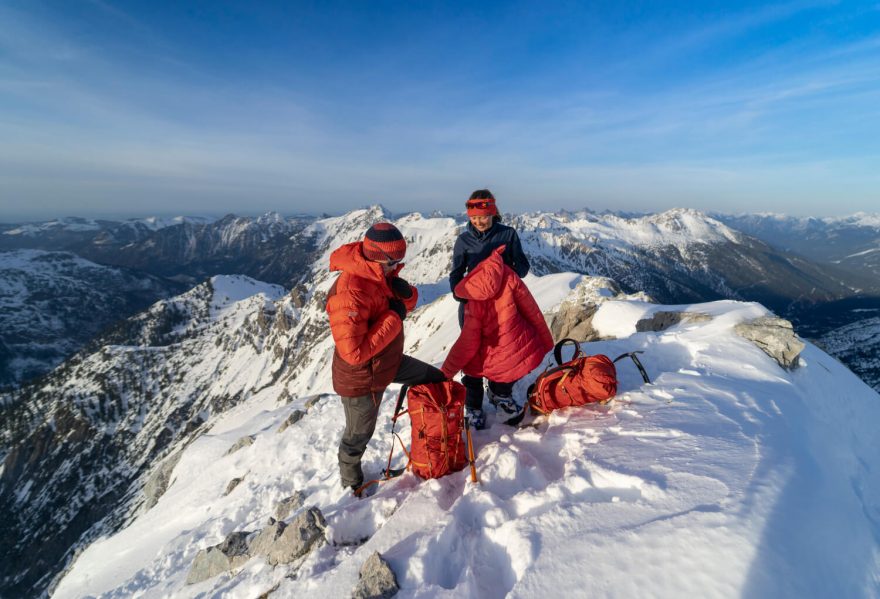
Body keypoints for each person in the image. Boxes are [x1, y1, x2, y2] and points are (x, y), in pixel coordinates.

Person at [326, 222, 445, 495]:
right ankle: (351, 484)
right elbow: (354, 354)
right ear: (378, 258)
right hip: (361, 379)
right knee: (358, 436)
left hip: (387, 362)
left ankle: (431, 439)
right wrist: (394, 316)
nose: (397, 266)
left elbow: (402, 304)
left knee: (434, 379)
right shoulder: (351, 292)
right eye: (394, 262)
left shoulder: (378, 276)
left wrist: (406, 296)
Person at [441, 244, 554, 429]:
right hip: (512, 342)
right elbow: (530, 307)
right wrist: (545, 338)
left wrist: (445, 373)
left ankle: (474, 406)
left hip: (491, 347)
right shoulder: (507, 273)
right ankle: (500, 397)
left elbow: (467, 342)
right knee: (513, 361)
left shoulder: (472, 295)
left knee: (473, 367)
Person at [447, 189, 534, 429]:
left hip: (503, 306)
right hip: (473, 306)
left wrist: (505, 279)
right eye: (474, 218)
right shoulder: (463, 241)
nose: (479, 221)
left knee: (504, 350)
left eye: (483, 216)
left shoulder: (508, 234)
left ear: (493, 212)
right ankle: (473, 405)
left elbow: (522, 266)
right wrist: (460, 294)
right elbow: (456, 272)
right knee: (473, 353)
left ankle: (500, 394)